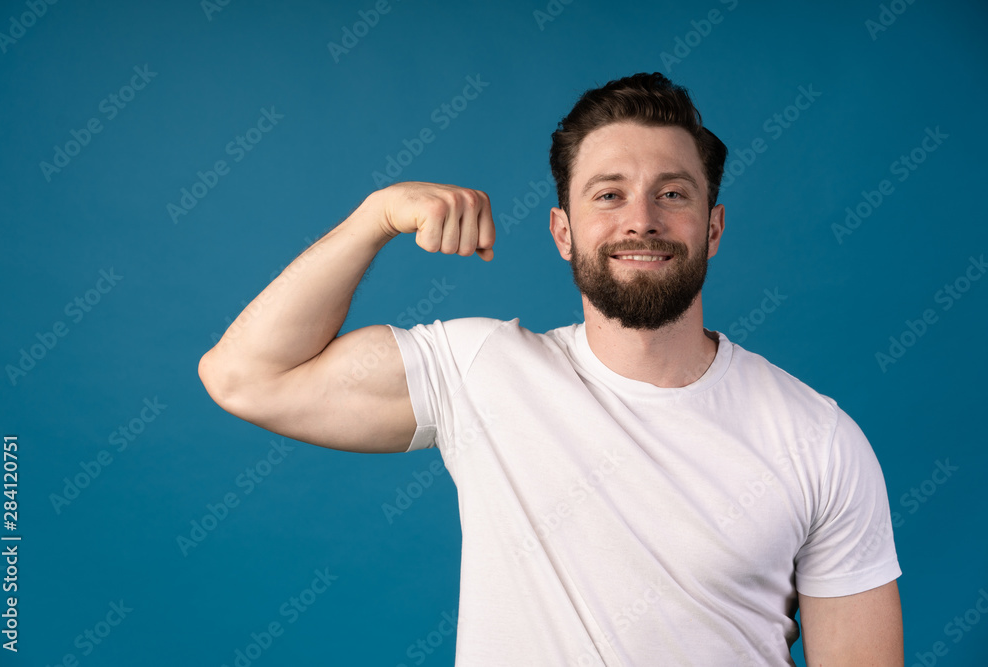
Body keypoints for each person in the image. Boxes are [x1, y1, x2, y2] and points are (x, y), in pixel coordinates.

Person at [198, 71, 903, 665]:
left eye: (673, 193)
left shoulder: (819, 441)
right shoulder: (481, 371)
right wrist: (374, 218)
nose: (642, 219)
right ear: (563, 232)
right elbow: (245, 376)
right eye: (608, 193)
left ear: (712, 229)